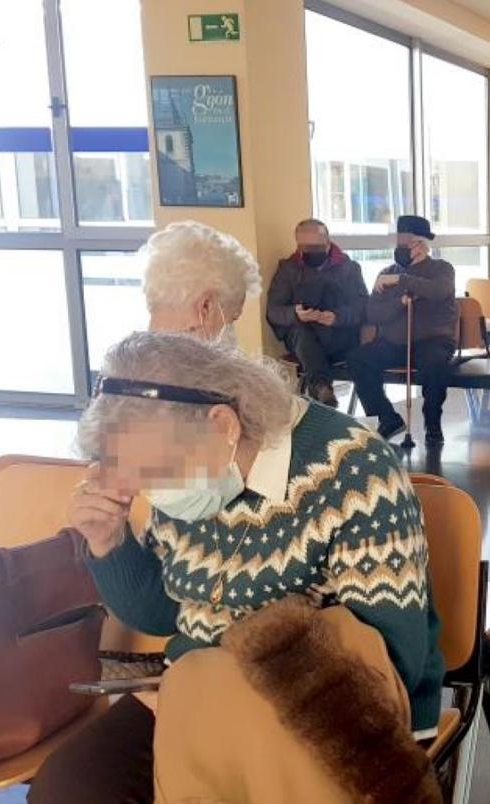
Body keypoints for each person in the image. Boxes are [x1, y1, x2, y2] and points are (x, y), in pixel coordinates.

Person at [30, 331, 444, 803]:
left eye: (156, 473)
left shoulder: (353, 469)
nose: (152, 492)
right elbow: (164, 614)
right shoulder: (188, 467)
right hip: (192, 688)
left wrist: (216, 693)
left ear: (223, 425)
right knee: (70, 788)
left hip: (325, 705)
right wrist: (109, 544)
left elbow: (392, 655)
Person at [347, 215, 457, 445]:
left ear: (422, 245)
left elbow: (439, 291)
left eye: (407, 244)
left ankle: (433, 422)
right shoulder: (385, 272)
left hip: (432, 340)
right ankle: (387, 418)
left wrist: (402, 279)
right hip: (394, 342)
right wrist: (399, 303)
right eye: (399, 244)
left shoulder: (442, 269)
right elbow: (373, 314)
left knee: (435, 363)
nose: (401, 249)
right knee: (359, 359)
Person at [266, 219, 368, 407]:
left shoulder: (349, 268)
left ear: (328, 243)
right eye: (306, 247)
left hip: (339, 337)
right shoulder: (288, 269)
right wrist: (295, 314)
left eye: (317, 247)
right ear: (298, 245)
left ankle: (320, 389)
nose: (312, 252)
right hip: (304, 337)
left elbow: (362, 306)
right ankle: (321, 388)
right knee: (301, 333)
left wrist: (337, 317)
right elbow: (273, 311)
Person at [142, 220, 261, 342]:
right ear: (206, 306)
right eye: (232, 318)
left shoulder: (130, 356)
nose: (230, 332)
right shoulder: (199, 358)